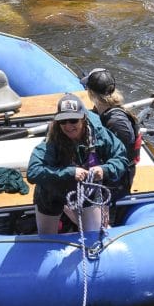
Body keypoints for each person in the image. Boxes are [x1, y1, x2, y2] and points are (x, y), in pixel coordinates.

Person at [26, 92, 129, 233]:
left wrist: (104, 170)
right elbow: (33, 172)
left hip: (86, 192)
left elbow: (121, 158)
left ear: (83, 119)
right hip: (51, 193)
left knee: (93, 235)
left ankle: (74, 214)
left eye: (73, 120)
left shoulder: (99, 135)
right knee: (46, 237)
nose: (68, 126)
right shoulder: (51, 141)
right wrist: (70, 173)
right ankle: (66, 212)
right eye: (63, 121)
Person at [83, 68, 140, 191]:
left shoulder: (117, 123)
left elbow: (122, 159)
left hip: (116, 181)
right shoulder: (101, 111)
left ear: (91, 93)